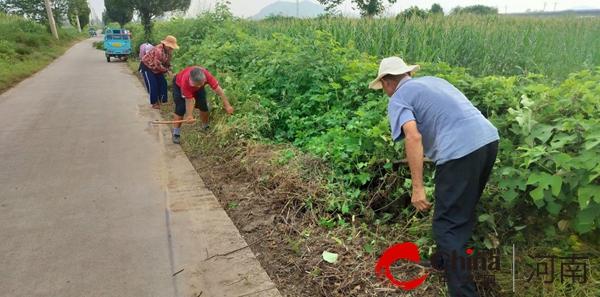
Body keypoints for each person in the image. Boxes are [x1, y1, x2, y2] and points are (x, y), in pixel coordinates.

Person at [368, 57, 499, 297]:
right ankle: (443, 262)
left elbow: (414, 137)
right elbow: (449, 121)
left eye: (383, 88)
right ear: (408, 74)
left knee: (447, 226)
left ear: (387, 82)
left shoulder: (398, 97)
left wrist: (417, 187)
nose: (385, 92)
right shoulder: (435, 82)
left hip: (460, 153)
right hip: (488, 141)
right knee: (459, 212)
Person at [170, 66, 235, 144]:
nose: (199, 86)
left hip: (197, 86)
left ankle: (205, 126)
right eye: (196, 85)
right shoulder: (185, 81)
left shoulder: (206, 76)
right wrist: (189, 115)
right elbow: (189, 101)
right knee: (181, 107)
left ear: (204, 80)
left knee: (203, 105)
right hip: (179, 85)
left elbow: (219, 91)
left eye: (201, 84)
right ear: (191, 80)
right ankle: (176, 133)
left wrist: (227, 105)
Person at [139, 36, 179, 109]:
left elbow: (167, 62)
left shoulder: (169, 52)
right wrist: (167, 71)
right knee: (152, 85)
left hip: (157, 68)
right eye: (170, 46)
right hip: (147, 67)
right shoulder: (158, 50)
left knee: (163, 82)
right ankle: (154, 102)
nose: (171, 48)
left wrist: (169, 68)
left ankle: (163, 100)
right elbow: (157, 64)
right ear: (166, 44)